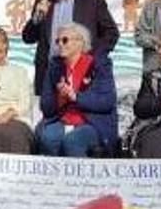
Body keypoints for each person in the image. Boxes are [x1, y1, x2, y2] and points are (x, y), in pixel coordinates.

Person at [22, 0, 119, 94]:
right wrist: (37, 17)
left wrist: (92, 59)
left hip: (83, 72)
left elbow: (111, 33)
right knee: (49, 114)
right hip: (49, 74)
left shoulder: (91, 0)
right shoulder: (43, 2)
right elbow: (28, 38)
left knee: (80, 112)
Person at [37, 23, 118, 157]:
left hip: (92, 121)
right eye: (58, 41)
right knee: (48, 138)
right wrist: (60, 97)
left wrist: (75, 96)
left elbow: (107, 101)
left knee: (73, 141)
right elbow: (45, 107)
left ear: (80, 42)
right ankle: (53, 178)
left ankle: (82, 178)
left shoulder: (99, 65)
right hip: (62, 119)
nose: (60, 45)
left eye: (65, 40)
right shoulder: (54, 67)